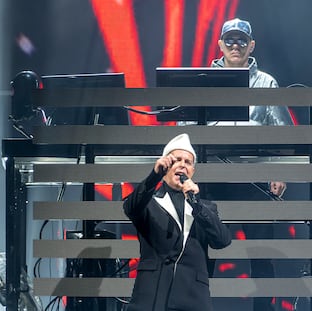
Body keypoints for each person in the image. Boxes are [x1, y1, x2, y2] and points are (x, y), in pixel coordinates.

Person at [211, 18, 292, 310]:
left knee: (260, 254)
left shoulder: (267, 82)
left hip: (254, 180)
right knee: (204, 252)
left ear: (251, 46)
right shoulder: (204, 81)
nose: (235, 46)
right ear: (220, 45)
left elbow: (283, 133)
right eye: (229, 40)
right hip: (213, 178)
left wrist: (279, 171)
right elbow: (186, 126)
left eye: (241, 41)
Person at [123, 133, 232, 311]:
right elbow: (130, 207)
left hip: (192, 297)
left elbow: (222, 240)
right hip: (152, 297)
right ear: (165, 167)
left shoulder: (205, 208)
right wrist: (153, 177)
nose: (182, 164)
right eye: (176, 160)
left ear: (192, 171)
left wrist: (196, 203)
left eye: (187, 162)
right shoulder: (149, 203)